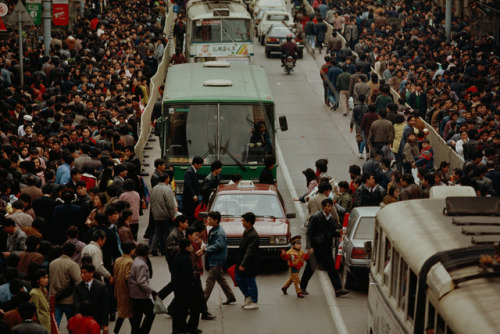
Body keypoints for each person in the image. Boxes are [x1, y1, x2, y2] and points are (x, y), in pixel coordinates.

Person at [300, 198, 350, 297]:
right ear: (323, 207)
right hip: (316, 247)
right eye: (328, 206)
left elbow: (331, 233)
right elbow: (309, 233)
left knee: (332, 270)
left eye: (331, 206)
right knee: (310, 269)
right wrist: (309, 247)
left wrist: (339, 233)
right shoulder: (315, 217)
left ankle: (338, 289)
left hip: (326, 248)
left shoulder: (331, 219)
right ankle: (302, 287)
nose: (330, 208)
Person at [196, 211, 236, 306]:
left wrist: (205, 249)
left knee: (210, 281)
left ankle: (201, 302)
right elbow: (211, 243)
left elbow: (219, 245)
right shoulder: (213, 230)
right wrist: (204, 246)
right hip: (214, 258)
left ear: (216, 220)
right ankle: (231, 297)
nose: (208, 221)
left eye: (210, 220)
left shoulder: (219, 233)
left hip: (217, 259)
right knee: (221, 279)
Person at [171, 238, 201, 334]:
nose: (191, 247)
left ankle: (179, 328)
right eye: (190, 246)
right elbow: (187, 276)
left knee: (180, 309)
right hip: (187, 289)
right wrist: (193, 278)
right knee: (194, 308)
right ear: (187, 247)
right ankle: (191, 328)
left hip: (178, 287)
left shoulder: (177, 256)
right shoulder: (186, 258)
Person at [49, 242, 82, 326]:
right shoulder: (72, 265)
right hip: (68, 299)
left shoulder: (52, 263)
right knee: (72, 325)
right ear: (74, 253)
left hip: (55, 297)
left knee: (55, 324)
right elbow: (79, 280)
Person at [157, 215, 189, 301]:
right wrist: (182, 247)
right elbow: (170, 248)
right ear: (180, 223)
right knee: (175, 282)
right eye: (185, 222)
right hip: (173, 262)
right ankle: (159, 296)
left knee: (176, 282)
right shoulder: (173, 234)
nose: (187, 224)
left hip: (177, 261)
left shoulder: (180, 232)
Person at [128, 244, 156, 334]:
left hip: (134, 293)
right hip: (140, 295)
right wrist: (152, 291)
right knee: (151, 313)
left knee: (137, 317)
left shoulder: (136, 260)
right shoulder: (142, 264)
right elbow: (141, 281)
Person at [73, 264, 109, 331]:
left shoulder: (101, 287)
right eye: (81, 273)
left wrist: (105, 324)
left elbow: (104, 306)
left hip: (96, 320)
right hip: (82, 319)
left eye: (85, 273)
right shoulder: (77, 286)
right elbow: (76, 302)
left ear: (92, 273)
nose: (82, 275)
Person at [236, 212, 260, 310]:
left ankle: (254, 301)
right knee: (238, 279)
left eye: (244, 221)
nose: (242, 222)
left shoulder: (253, 235)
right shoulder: (246, 231)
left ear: (249, 222)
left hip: (250, 263)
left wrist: (243, 264)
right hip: (243, 261)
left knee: (250, 281)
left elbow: (250, 251)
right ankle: (247, 296)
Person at [150, 173, 177, 256]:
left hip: (156, 214)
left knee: (157, 231)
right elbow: (170, 203)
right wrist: (173, 215)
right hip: (164, 214)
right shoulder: (167, 189)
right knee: (165, 232)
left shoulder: (154, 188)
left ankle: (153, 249)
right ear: (166, 179)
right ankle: (163, 249)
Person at [113, 241, 136, 334]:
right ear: (131, 250)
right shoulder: (130, 262)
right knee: (127, 313)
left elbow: (114, 273)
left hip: (118, 289)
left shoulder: (118, 260)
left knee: (124, 312)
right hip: (126, 291)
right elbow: (128, 277)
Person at [182, 156, 203, 224]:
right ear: (196, 164)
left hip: (193, 199)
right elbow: (188, 185)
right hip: (189, 199)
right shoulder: (189, 172)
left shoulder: (195, 171)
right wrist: (193, 195)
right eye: (200, 164)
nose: (201, 166)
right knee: (189, 215)